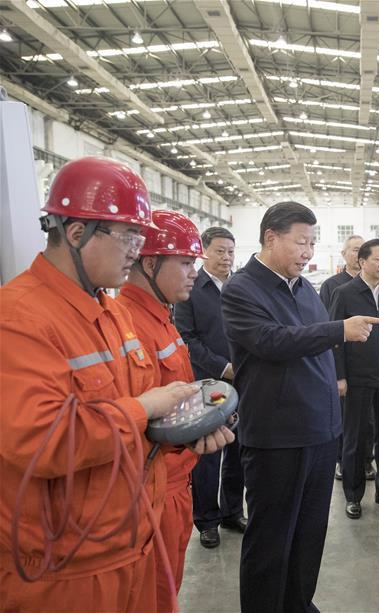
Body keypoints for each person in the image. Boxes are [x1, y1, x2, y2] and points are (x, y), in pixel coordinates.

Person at [0, 157, 217, 612]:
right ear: (77, 233)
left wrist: (180, 435)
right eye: (128, 237)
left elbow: (136, 425)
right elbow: (41, 440)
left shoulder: (114, 312)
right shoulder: (18, 318)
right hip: (66, 568)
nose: (137, 251)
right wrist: (144, 407)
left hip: (134, 537)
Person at [221, 201, 379, 613]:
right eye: (301, 242)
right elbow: (271, 342)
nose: (308, 252)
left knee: (309, 536)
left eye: (313, 243)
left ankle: (298, 604)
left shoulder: (303, 289)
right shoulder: (243, 289)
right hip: (277, 437)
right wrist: (338, 330)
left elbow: (314, 349)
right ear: (271, 237)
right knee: (271, 541)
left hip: (319, 433)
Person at [116, 210, 234, 610]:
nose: (193, 273)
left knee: (166, 591)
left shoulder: (161, 318)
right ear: (149, 264)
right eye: (185, 263)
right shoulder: (128, 325)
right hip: (152, 492)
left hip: (175, 482)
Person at [174, 226, 247, 550]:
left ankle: (233, 510)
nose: (226, 257)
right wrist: (222, 366)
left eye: (230, 251)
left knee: (238, 448)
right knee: (208, 452)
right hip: (207, 383)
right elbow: (187, 339)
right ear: (204, 251)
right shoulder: (192, 287)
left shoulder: (240, 286)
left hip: (244, 379)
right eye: (219, 251)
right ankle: (206, 519)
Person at [329, 239, 379, 520]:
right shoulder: (345, 293)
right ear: (362, 262)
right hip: (357, 380)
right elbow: (334, 339)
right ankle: (353, 496)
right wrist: (340, 377)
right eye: (378, 259)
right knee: (355, 439)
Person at [319, 234, 375, 482]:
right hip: (346, 364)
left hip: (371, 368)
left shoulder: (376, 285)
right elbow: (326, 328)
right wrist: (337, 373)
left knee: (370, 420)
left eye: (362, 249)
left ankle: (366, 461)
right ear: (344, 254)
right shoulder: (333, 286)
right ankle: (344, 461)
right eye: (353, 250)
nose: (357, 254)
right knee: (346, 419)